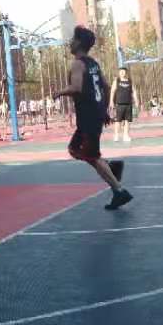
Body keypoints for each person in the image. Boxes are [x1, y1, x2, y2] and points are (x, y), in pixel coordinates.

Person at [54, 26, 133, 210]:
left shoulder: (77, 63)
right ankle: (111, 168)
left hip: (88, 116)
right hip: (93, 115)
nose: (70, 42)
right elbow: (105, 86)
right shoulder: (93, 64)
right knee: (75, 149)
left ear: (79, 43)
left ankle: (119, 191)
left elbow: (76, 87)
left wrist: (59, 92)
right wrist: (103, 109)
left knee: (91, 155)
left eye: (73, 39)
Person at [109, 67, 136, 143]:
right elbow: (112, 91)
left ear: (126, 73)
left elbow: (134, 91)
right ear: (119, 73)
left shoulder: (130, 81)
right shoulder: (116, 81)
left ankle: (126, 135)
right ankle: (116, 135)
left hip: (128, 104)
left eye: (123, 72)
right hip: (119, 104)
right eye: (121, 72)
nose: (122, 73)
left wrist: (136, 100)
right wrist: (111, 101)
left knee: (127, 121)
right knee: (118, 121)